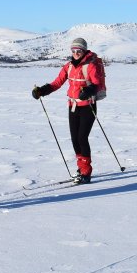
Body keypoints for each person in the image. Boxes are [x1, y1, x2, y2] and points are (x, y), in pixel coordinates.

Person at [31, 37, 104, 184]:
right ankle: (81, 167)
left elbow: (97, 84)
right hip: (73, 106)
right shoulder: (69, 66)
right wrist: (42, 91)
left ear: (84, 51)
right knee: (74, 139)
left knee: (82, 138)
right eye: (73, 50)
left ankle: (86, 171)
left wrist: (89, 90)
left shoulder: (91, 66)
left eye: (79, 51)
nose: (76, 53)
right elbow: (57, 83)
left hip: (88, 106)